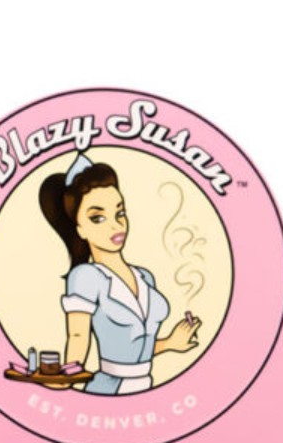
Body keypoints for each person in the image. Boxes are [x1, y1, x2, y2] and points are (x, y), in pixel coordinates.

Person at [38, 153, 200, 394]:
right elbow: (78, 336)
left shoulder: (144, 277)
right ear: (80, 229)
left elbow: (134, 348)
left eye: (120, 213)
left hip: (145, 385)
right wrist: (65, 378)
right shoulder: (85, 277)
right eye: (98, 218)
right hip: (109, 388)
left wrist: (170, 343)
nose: (116, 225)